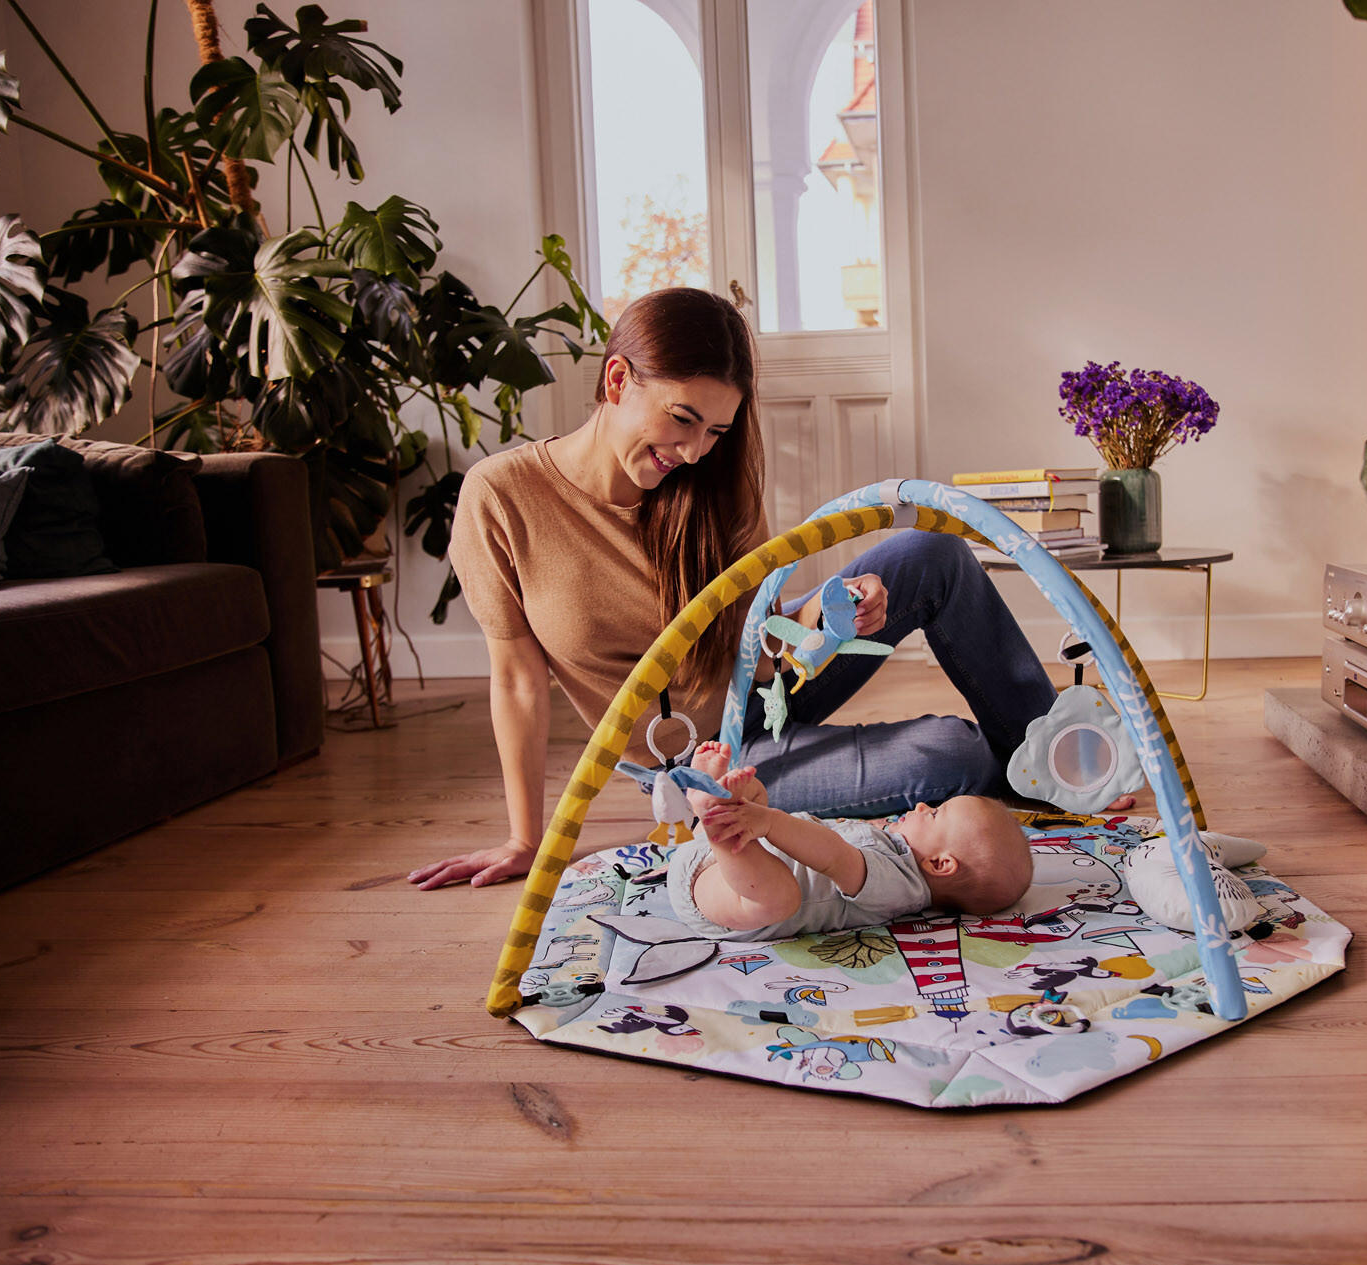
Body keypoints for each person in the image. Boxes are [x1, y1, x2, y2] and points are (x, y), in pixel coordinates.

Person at [408, 287, 1076, 892]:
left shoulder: (710, 485)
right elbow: (518, 681)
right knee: (956, 754)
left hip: (765, 684)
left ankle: (1065, 757)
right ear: (617, 380)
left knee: (932, 550)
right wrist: (525, 840)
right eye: (683, 419)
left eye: (716, 432)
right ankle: (1017, 757)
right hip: (707, 757)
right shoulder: (500, 497)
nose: (695, 451)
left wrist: (836, 614)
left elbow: (760, 642)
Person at [671, 742, 1031, 941]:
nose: (922, 806)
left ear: (940, 864)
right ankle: (719, 802)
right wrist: (757, 812)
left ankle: (719, 821)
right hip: (735, 856)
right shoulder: (896, 847)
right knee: (755, 793)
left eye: (935, 814)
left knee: (781, 898)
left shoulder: (899, 887)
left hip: (721, 896)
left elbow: (835, 856)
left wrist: (767, 821)